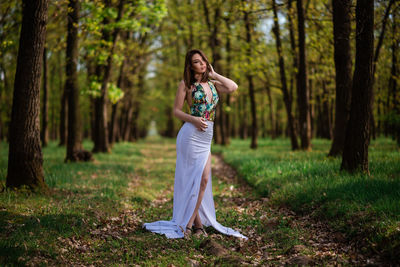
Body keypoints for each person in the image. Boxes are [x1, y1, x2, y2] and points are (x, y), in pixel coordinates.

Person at [143, 49, 247, 239]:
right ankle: (191, 226)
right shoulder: (186, 85)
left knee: (204, 180)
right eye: (197, 62)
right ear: (190, 66)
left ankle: (192, 225)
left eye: (203, 61)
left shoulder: (213, 84)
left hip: (206, 137)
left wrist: (214, 74)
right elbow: (176, 111)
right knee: (194, 180)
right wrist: (193, 120)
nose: (202, 64)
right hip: (191, 135)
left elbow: (233, 86)